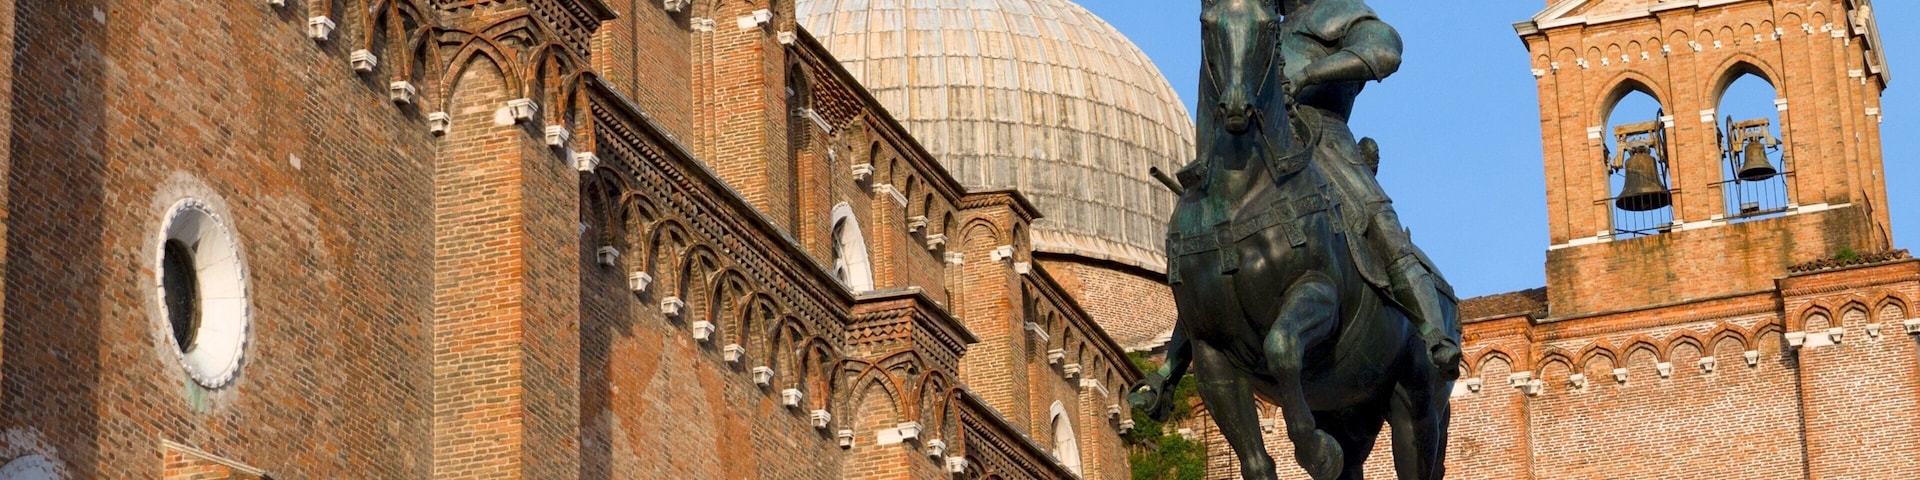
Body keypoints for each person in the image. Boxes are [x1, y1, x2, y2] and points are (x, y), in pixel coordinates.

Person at [1277, 0, 1462, 377]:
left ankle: (1434, 335)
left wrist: (1308, 76)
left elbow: (1383, 51)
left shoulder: (1338, 10)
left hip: (1324, 138)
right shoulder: (1258, 27)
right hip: (1265, 144)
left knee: (1383, 230)